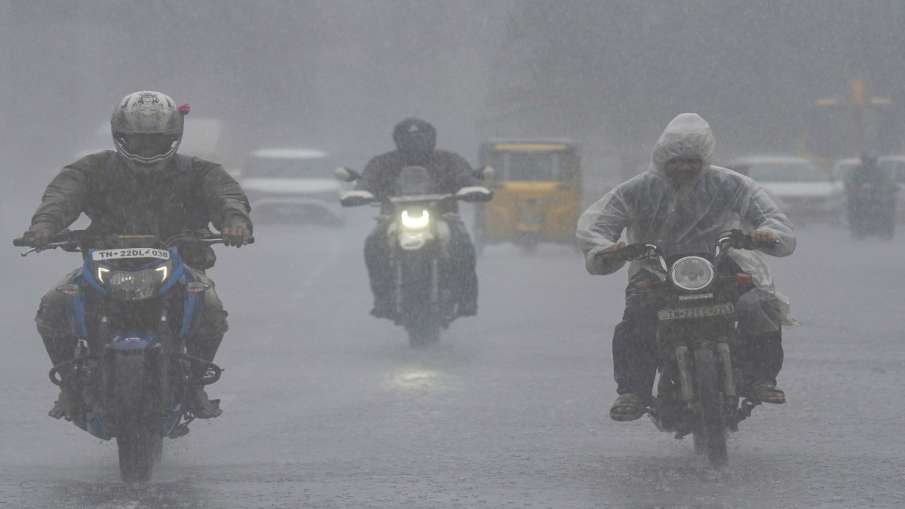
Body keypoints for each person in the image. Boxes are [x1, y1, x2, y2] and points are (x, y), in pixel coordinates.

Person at [20, 91, 253, 419]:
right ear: (119, 136)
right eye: (137, 141)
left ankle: (194, 384)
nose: (146, 149)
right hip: (103, 263)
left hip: (181, 265)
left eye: (156, 142)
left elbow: (227, 195)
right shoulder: (92, 169)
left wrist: (235, 222)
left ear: (173, 138)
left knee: (210, 309)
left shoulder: (199, 172)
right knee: (54, 305)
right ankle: (70, 387)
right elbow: (62, 195)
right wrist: (44, 225)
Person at [576, 113, 797, 421]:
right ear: (663, 158)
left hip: (721, 264)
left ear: (704, 158)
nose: (684, 167)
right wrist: (607, 249)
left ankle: (761, 379)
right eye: (676, 161)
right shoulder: (637, 190)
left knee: (757, 305)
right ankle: (632, 392)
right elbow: (598, 225)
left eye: (692, 160)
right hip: (655, 269)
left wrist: (764, 234)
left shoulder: (731, 185)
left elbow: (771, 218)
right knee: (639, 314)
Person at [356, 117, 488, 319]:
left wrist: (472, 187)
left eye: (420, 138)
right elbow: (368, 179)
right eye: (408, 138)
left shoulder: (448, 160)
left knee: (462, 246)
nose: (414, 143)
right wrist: (360, 192)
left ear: (431, 138)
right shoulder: (383, 163)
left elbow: (465, 176)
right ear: (397, 139)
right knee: (374, 244)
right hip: (393, 218)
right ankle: (382, 298)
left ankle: (466, 299)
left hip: (444, 216)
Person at [845, 151, 897, 238]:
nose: (869, 163)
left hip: (877, 198)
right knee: (852, 205)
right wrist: (853, 188)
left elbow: (888, 182)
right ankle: (856, 227)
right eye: (867, 161)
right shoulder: (857, 171)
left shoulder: (880, 171)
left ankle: (885, 229)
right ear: (863, 161)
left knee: (888, 207)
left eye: (871, 161)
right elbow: (849, 181)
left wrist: (889, 188)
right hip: (859, 199)